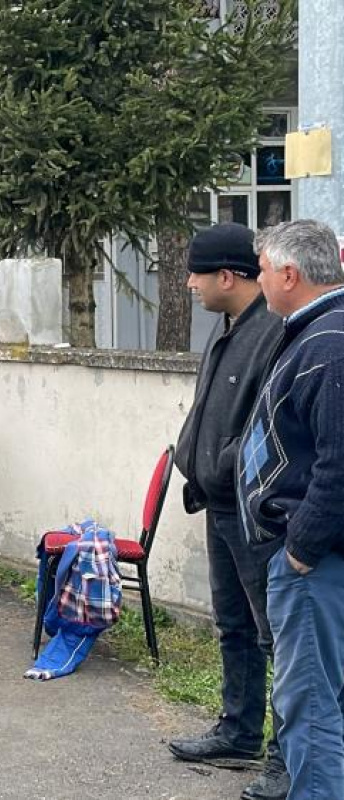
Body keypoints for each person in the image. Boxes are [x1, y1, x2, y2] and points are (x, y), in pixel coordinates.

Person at [168, 223, 289, 800]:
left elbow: (267, 425)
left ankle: (286, 757)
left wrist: (222, 464)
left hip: (253, 514)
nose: (188, 283)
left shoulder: (273, 331)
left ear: (226, 275)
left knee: (275, 636)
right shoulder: (228, 328)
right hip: (218, 504)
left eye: (195, 272)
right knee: (234, 627)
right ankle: (239, 732)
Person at [237, 219, 344, 800]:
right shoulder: (314, 331)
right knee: (320, 700)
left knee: (310, 706)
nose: (258, 281)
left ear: (289, 274)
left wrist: (301, 548)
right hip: (316, 558)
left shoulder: (329, 342)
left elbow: (339, 464)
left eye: (262, 270)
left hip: (315, 564)